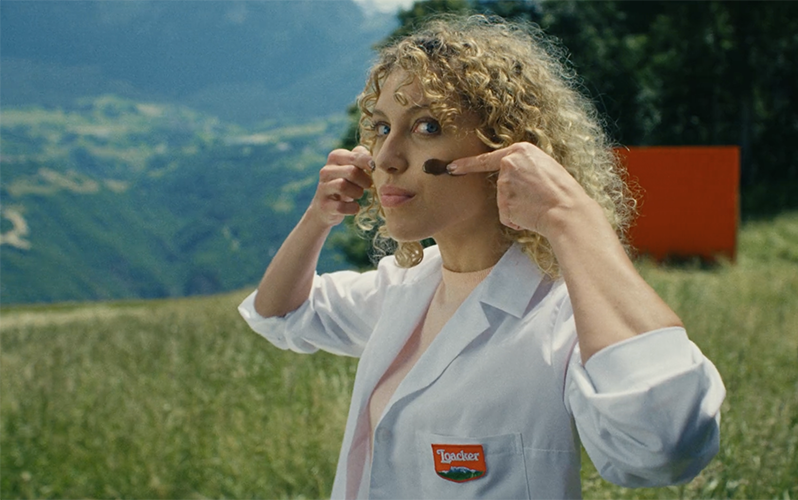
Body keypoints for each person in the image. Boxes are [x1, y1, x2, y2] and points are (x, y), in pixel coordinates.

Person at [239, 14, 725, 500]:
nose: (385, 157)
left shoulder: (561, 318)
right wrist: (317, 218)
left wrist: (573, 218)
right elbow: (279, 313)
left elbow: (665, 446)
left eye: (427, 126)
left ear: (506, 147)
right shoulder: (403, 288)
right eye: (382, 127)